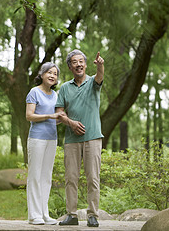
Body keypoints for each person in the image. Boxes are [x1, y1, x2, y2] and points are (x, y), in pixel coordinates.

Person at [56, 49, 104, 227]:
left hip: (92, 138)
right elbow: (59, 113)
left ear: (85, 63)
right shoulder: (65, 88)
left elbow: (99, 76)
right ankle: (72, 215)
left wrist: (100, 66)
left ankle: (93, 215)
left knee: (93, 178)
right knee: (71, 178)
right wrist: (71, 123)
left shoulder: (93, 82)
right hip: (71, 140)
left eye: (81, 61)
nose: (78, 64)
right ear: (70, 66)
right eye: (74, 62)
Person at [25, 62, 62, 225]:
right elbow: (29, 116)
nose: (52, 76)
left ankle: (44, 213)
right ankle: (34, 215)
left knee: (46, 177)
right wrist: (50, 116)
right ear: (41, 74)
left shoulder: (55, 95)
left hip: (51, 139)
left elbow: (55, 118)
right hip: (37, 138)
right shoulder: (34, 92)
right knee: (35, 175)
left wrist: (59, 119)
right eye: (49, 72)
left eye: (55, 73)